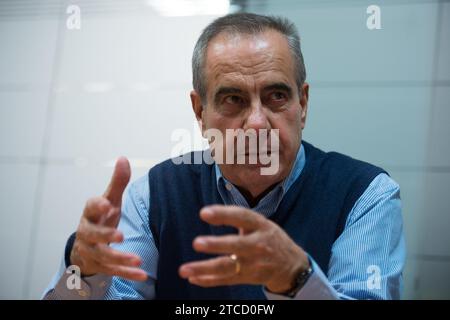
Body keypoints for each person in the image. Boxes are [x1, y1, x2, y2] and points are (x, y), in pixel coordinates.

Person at [43, 12, 405, 300]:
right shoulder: (153, 196)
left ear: (303, 104)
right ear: (199, 112)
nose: (257, 124)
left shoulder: (365, 195)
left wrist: (298, 281)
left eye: (277, 96)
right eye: (233, 99)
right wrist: (83, 274)